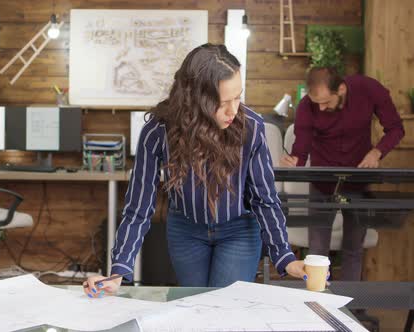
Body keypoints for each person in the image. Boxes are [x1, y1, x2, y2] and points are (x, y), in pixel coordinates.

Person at [83, 44, 306, 298]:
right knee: (192, 306)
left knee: (222, 308)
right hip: (186, 230)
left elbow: (265, 199)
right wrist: (119, 271)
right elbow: (138, 207)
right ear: (196, 100)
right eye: (223, 102)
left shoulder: (252, 128)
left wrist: (284, 256)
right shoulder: (158, 131)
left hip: (239, 230)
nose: (234, 110)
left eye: (238, 97)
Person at [280, 67, 404, 281]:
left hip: (358, 181)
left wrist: (377, 152)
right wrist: (294, 160)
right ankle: (318, 307)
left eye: (326, 102)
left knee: (354, 248)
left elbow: (396, 128)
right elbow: (301, 150)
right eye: (316, 102)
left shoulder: (369, 89)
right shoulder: (307, 106)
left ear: (342, 89)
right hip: (322, 183)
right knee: (317, 250)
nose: (321, 107)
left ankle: (351, 309)